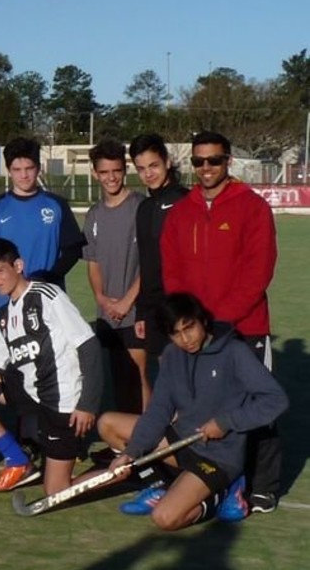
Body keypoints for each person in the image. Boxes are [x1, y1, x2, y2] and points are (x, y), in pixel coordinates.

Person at [160, 130, 281, 514]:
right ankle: (216, 480)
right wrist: (190, 324)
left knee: (256, 408)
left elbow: (258, 271)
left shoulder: (252, 207)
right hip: (197, 334)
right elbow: (173, 272)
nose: (206, 167)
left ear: (228, 160)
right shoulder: (182, 212)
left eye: (214, 160)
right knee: (200, 409)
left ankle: (262, 486)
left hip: (244, 328)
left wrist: (221, 320)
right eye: (199, 161)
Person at [101, 293, 287, 529]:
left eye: (189, 328)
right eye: (176, 334)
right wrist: (131, 453)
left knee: (165, 518)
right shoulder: (172, 355)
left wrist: (226, 422)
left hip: (219, 457)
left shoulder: (234, 352)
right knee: (108, 424)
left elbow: (275, 399)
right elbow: (158, 411)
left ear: (203, 321)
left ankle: (220, 495)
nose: (185, 339)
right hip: (183, 442)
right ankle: (161, 486)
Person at [0, 238, 103, 496]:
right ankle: (17, 460)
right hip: (33, 394)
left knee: (56, 491)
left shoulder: (47, 296)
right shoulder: (4, 316)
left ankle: (127, 468)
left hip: (63, 402)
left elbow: (88, 345)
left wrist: (87, 404)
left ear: (18, 266)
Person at [0, 136, 85, 312]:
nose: (24, 175)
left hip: (49, 299)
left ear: (39, 168)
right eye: (17, 169)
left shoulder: (57, 205)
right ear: (9, 170)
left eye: (29, 168)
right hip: (6, 303)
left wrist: (47, 277)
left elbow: (72, 250)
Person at [82, 140, 148, 413]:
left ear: (125, 170)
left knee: (138, 377)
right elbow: (93, 262)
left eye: (117, 171)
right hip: (107, 313)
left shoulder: (141, 207)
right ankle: (126, 435)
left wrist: (127, 301)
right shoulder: (94, 214)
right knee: (119, 380)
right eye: (104, 172)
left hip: (135, 311)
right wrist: (101, 298)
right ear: (95, 173)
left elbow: (151, 263)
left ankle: (149, 435)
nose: (111, 177)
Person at [129, 133, 188, 357]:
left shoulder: (187, 201)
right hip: (154, 311)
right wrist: (141, 312)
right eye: (141, 168)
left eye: (153, 166)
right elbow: (147, 263)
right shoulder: (144, 208)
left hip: (184, 307)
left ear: (168, 162)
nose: (148, 174)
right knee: (166, 369)